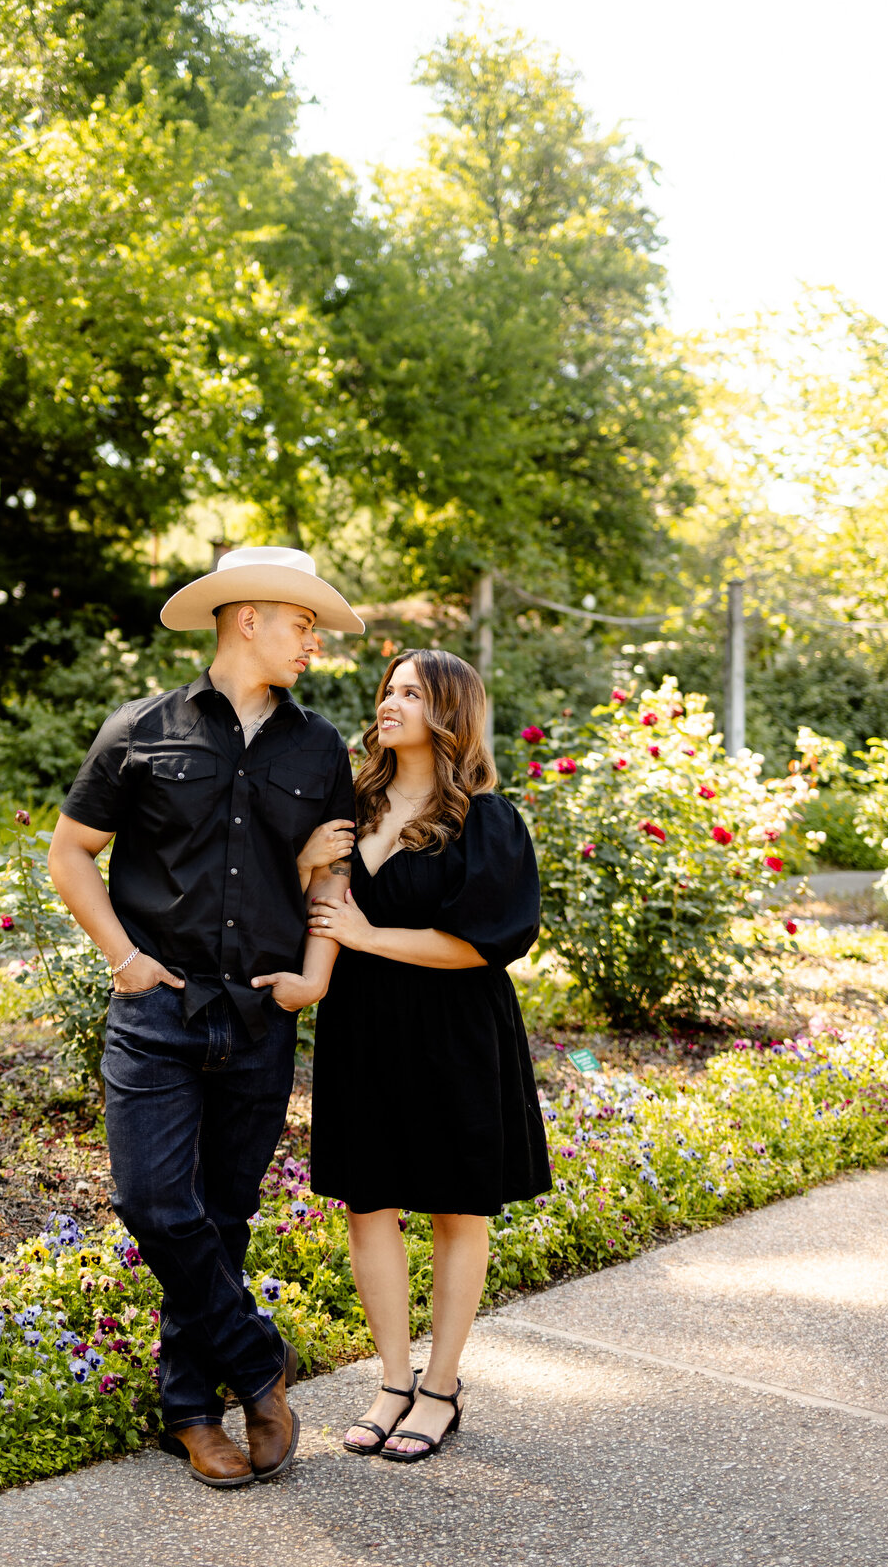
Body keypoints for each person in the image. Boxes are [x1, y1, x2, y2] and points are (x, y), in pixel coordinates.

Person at [48, 546, 363, 1489]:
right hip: (159, 1010)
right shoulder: (139, 729)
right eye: (302, 624)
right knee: (153, 1203)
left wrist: (314, 979)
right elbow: (70, 852)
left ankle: (190, 1411)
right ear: (247, 618)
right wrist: (125, 960)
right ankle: (259, 1361)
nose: (313, 642)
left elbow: (330, 876)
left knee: (224, 1215)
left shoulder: (319, 747)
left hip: (263, 1013)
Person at [306, 648, 550, 1463]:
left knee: (455, 1206)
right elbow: (312, 900)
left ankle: (441, 1387)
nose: (390, 702)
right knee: (367, 1201)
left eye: (410, 692)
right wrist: (309, 870)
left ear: (448, 711)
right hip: (361, 1023)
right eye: (389, 689)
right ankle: (391, 1380)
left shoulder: (486, 819)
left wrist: (369, 935)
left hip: (454, 1027)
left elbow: (485, 943)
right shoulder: (351, 807)